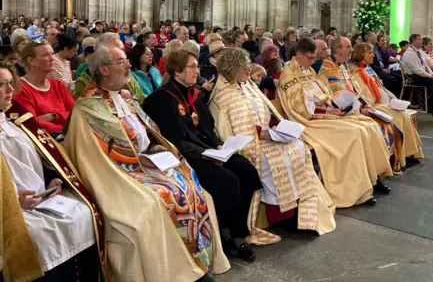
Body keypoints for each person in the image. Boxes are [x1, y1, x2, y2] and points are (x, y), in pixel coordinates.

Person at [65, 46, 229, 281]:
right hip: (117, 173)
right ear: (104, 69)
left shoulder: (126, 97)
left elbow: (145, 131)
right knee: (155, 201)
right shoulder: (86, 109)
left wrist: (153, 146)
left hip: (146, 163)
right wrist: (136, 160)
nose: (128, 65)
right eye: (122, 61)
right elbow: (91, 158)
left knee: (191, 184)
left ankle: (196, 258)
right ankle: (170, 272)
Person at [143, 49, 275, 261]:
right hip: (187, 156)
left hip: (209, 150)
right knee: (228, 181)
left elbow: (207, 127)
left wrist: (219, 146)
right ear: (177, 71)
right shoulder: (161, 99)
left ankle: (236, 229)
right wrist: (205, 154)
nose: (198, 70)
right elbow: (173, 139)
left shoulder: (194, 94)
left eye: (196, 65)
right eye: (192, 66)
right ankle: (231, 236)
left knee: (248, 172)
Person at [0, 62, 108, 281]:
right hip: (13, 210)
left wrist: (53, 179)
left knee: (85, 213)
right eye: (2, 85)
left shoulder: (15, 120)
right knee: (38, 235)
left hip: (43, 199)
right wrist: (14, 201)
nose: (10, 90)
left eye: (11, 83)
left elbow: (42, 155)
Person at [209, 48, 336, 234]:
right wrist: (260, 134)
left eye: (248, 65)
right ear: (232, 68)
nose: (248, 69)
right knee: (277, 160)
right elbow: (225, 131)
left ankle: (299, 208)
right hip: (248, 145)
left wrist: (274, 129)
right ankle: (282, 215)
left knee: (298, 147)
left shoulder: (248, 85)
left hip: (265, 136)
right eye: (244, 66)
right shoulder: (221, 96)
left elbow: (265, 112)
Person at [277, 38, 390, 207]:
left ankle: (374, 178)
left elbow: (322, 93)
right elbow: (301, 110)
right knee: (354, 133)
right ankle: (356, 190)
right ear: (299, 55)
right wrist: (328, 111)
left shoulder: (306, 70)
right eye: (310, 58)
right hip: (310, 122)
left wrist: (332, 106)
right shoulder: (289, 76)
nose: (312, 62)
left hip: (325, 112)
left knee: (367, 125)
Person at [317, 37, 397, 184]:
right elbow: (337, 97)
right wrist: (359, 109)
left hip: (355, 109)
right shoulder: (329, 69)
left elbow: (356, 89)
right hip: (341, 112)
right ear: (339, 49)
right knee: (369, 128)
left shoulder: (343, 66)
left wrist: (365, 104)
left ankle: (376, 176)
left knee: (377, 124)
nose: (352, 50)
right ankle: (367, 178)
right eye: (348, 47)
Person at [350, 43, 424, 170]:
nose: (373, 55)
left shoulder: (368, 68)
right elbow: (362, 93)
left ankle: (408, 153)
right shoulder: (354, 71)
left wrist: (390, 97)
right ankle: (398, 156)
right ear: (361, 54)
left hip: (381, 102)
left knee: (403, 114)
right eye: (370, 53)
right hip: (372, 105)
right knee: (398, 117)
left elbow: (380, 86)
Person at [15, 41, 75, 135]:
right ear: (31, 60)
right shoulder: (20, 88)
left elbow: (76, 114)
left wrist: (54, 116)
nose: (52, 58)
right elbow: (32, 124)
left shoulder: (58, 85)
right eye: (46, 55)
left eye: (52, 53)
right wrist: (66, 128)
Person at [74, 33, 145, 103]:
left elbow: (140, 100)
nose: (122, 54)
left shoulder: (125, 72)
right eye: (117, 51)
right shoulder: (84, 82)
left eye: (122, 50)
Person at [400, 34, 433, 118]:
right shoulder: (409, 53)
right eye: (419, 39)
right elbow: (416, 70)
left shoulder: (418, 51)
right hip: (412, 77)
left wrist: (432, 74)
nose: (422, 41)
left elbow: (425, 66)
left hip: (419, 74)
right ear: (413, 41)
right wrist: (430, 76)